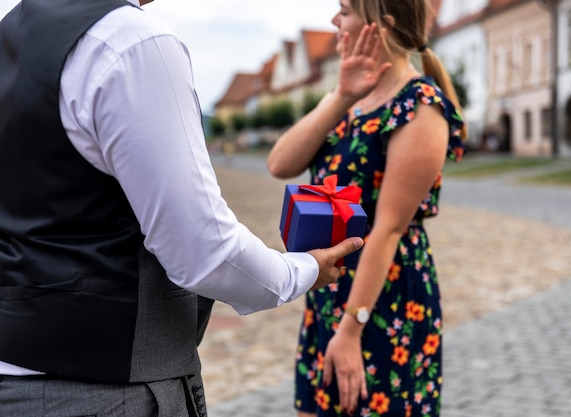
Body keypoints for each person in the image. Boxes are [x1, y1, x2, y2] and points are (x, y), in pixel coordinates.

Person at [0, 0, 363, 415]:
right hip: (105, 389)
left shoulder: (13, 31)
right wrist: (304, 269)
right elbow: (204, 252)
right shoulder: (131, 41)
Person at [267, 0, 466, 415]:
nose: (334, 20)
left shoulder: (420, 105)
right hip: (328, 294)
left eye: (344, 9)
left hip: (383, 302)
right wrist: (341, 94)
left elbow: (389, 229)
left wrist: (351, 331)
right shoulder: (351, 99)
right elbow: (280, 163)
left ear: (381, 23)